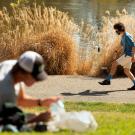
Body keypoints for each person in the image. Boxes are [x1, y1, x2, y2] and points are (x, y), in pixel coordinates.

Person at [0, 51, 60, 127]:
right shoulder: (6, 90)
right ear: (23, 73)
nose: (37, 81)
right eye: (35, 77)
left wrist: (42, 102)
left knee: (32, 115)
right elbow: (6, 123)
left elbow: (20, 100)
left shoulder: (11, 65)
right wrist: (38, 119)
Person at [99, 22, 135, 90]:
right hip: (127, 55)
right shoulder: (123, 36)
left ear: (120, 29)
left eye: (116, 30)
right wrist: (116, 52)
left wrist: (133, 56)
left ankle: (108, 80)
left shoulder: (127, 36)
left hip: (128, 55)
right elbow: (121, 45)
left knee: (114, 64)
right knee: (126, 71)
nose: (116, 31)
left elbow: (133, 45)